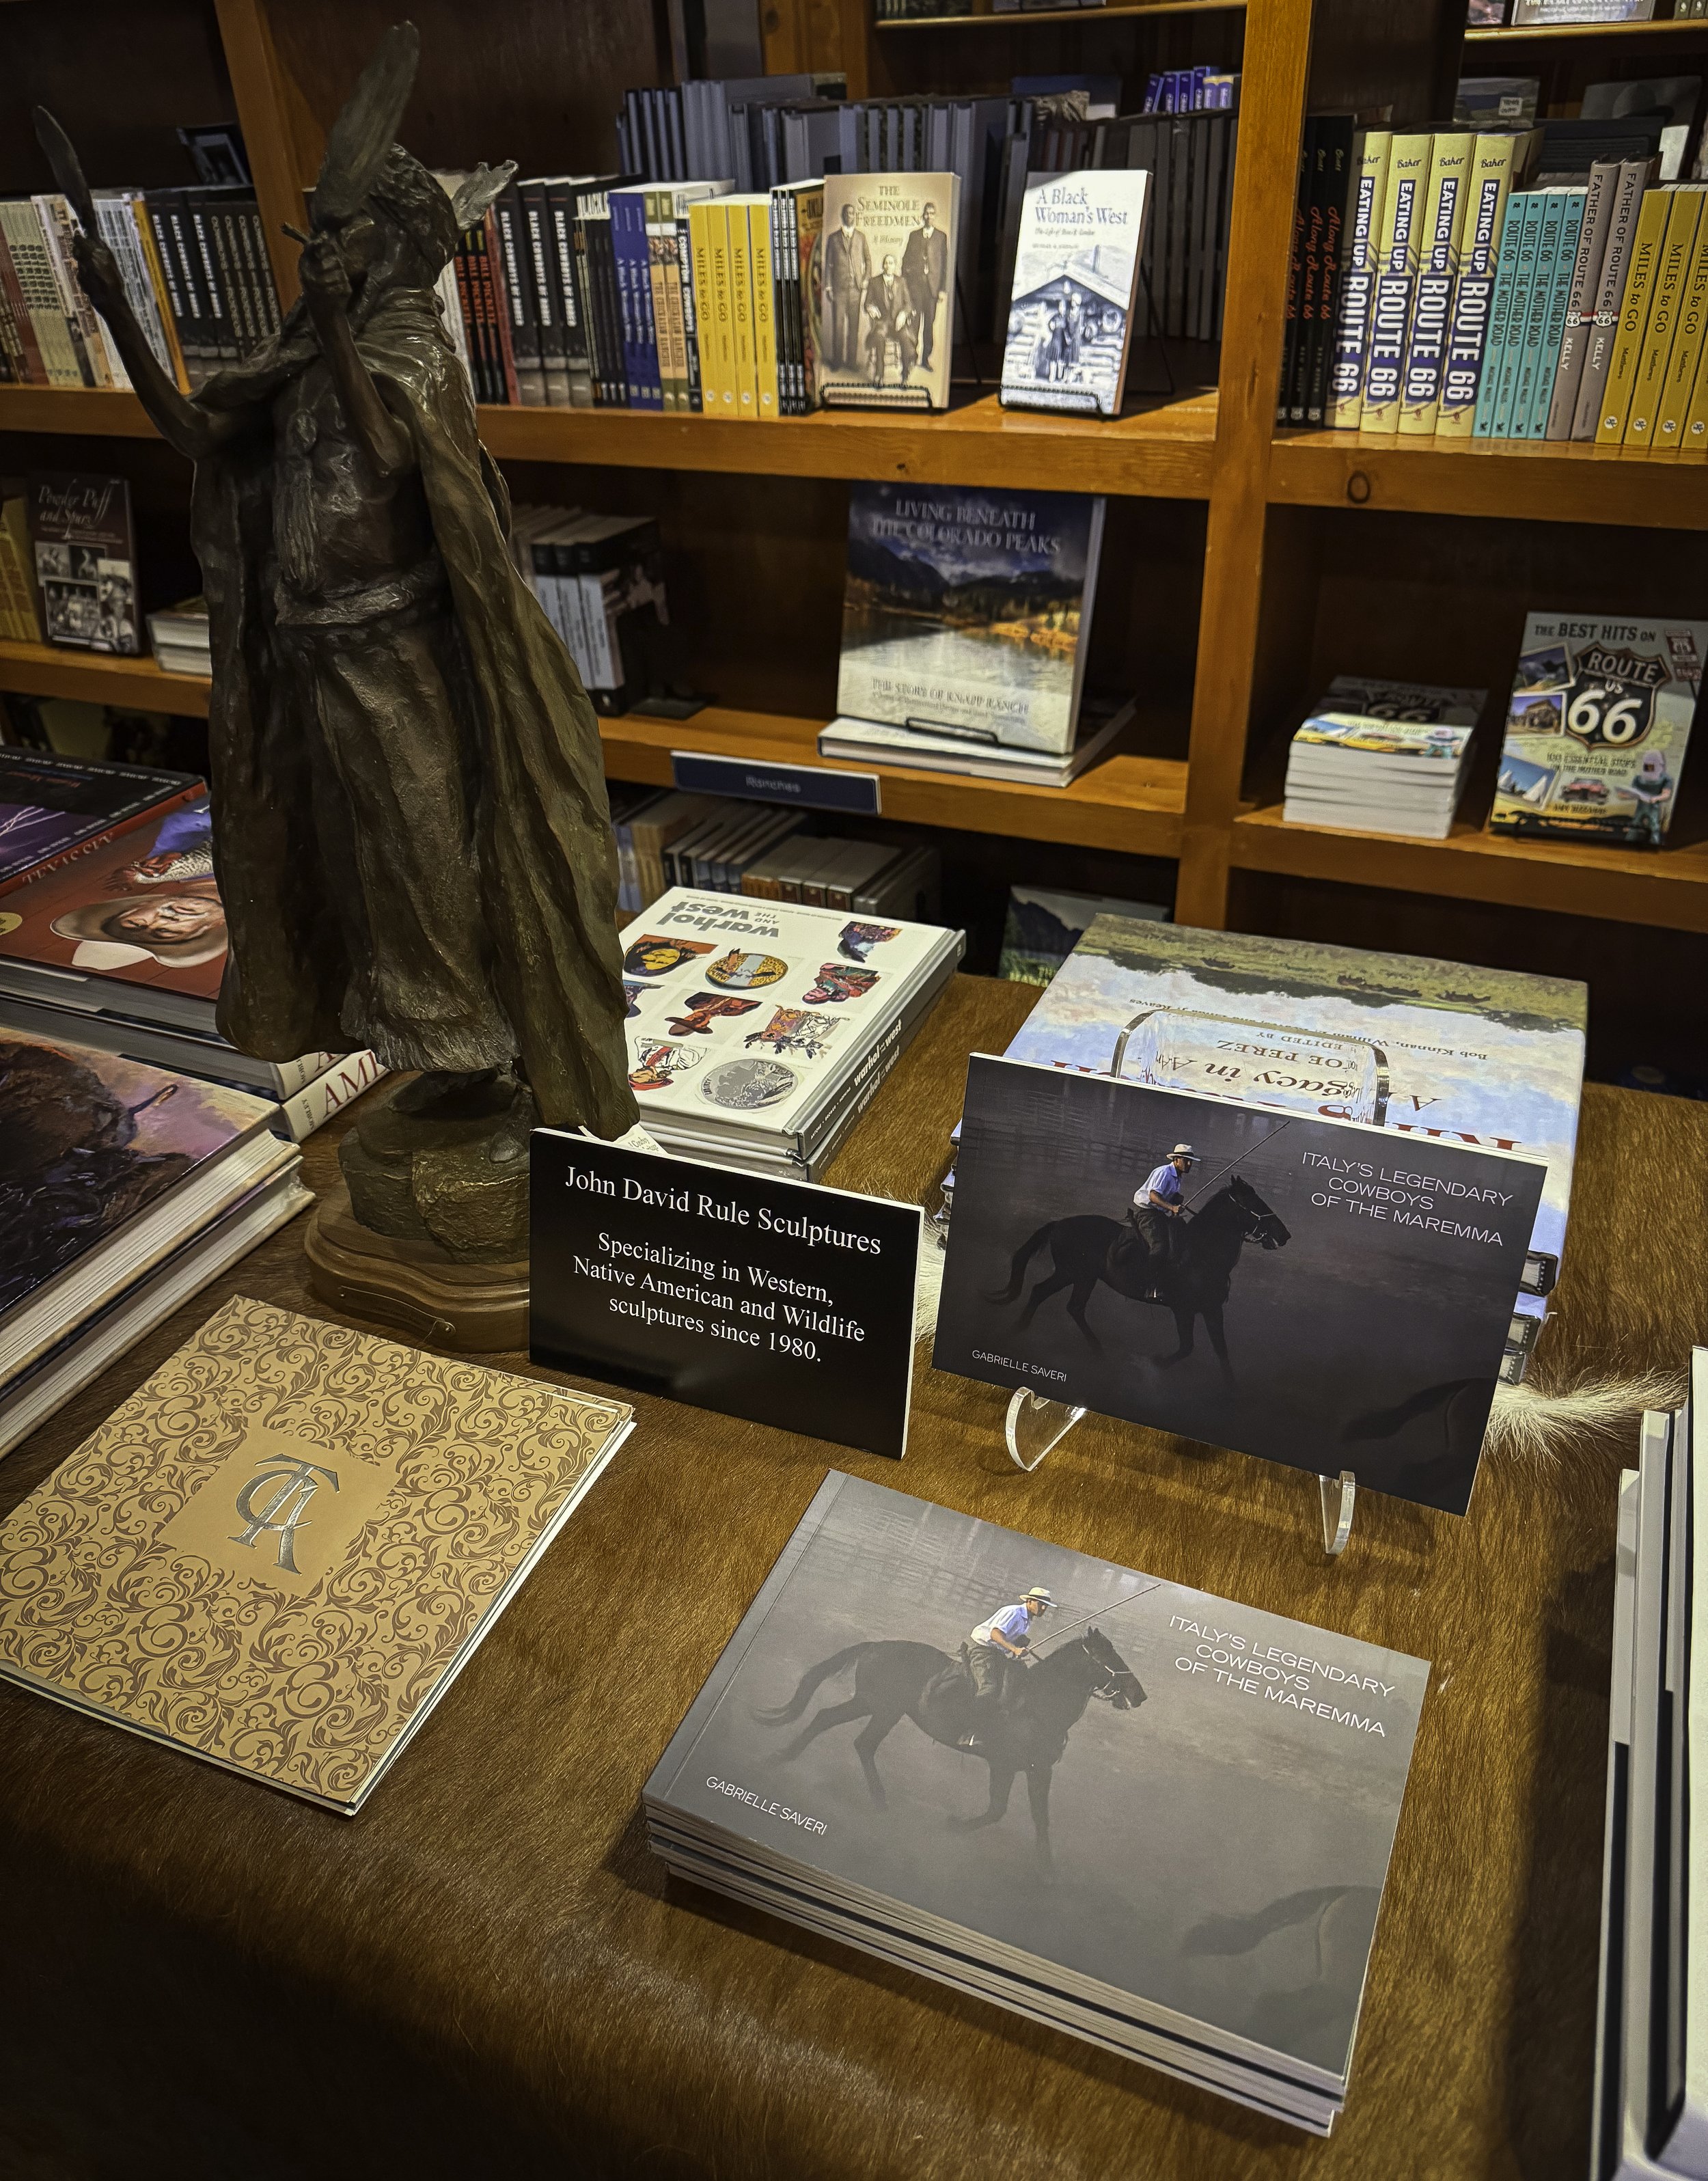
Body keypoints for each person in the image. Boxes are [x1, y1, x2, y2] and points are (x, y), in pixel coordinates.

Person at [60, 27, 635, 1164]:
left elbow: (384, 451)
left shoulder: (412, 350)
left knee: (430, 858)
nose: (323, 256)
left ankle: (475, 1044)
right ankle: (424, 1055)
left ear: (393, 253)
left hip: (402, 658)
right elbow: (195, 432)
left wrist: (333, 321)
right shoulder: (294, 362)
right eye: (321, 238)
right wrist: (116, 307)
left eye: (346, 239)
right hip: (311, 661)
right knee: (346, 868)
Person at [959, 1585, 1053, 1752]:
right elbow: (995, 1634)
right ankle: (969, 1733)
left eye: (1046, 1606)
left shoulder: (1027, 1620)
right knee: (989, 1689)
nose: (1044, 1608)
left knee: (1014, 1685)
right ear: (1030, 1601)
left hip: (996, 1654)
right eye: (1041, 1604)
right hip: (983, 1651)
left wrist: (1018, 1642)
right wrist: (1014, 1649)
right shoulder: (1014, 1612)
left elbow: (1006, 1637)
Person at [1127, 1142, 1196, 1276]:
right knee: (1160, 1246)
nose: (1189, 1164)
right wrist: (1172, 1207)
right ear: (1176, 1160)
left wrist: (1175, 1199)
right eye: (1186, 1160)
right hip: (1145, 1212)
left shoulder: (1177, 1176)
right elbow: (1153, 1196)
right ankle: (1148, 1283)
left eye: (1191, 1161)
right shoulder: (1164, 1172)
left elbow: (1165, 1195)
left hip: (1157, 1213)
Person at [822, 202, 871, 374]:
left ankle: (851, 362)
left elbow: (868, 261)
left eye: (854, 214)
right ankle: (837, 361)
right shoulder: (833, 238)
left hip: (856, 290)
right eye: (849, 213)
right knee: (838, 326)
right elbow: (828, 264)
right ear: (843, 216)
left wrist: (865, 279)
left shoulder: (861, 237)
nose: (852, 216)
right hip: (839, 289)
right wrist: (828, 287)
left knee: (854, 327)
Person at [900, 200, 949, 373]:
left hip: (932, 289)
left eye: (932, 213)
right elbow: (905, 261)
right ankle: (912, 357)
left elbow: (944, 266)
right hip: (915, 288)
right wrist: (905, 286)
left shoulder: (941, 237)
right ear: (923, 216)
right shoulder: (914, 236)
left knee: (929, 324)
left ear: (934, 216)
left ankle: (925, 359)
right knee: (914, 323)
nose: (929, 216)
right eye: (926, 213)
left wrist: (942, 289)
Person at [863, 253, 917, 386]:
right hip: (882, 323)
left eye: (891, 263)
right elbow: (867, 303)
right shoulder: (874, 282)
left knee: (905, 339)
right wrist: (871, 308)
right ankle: (879, 375)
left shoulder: (902, 282)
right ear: (883, 266)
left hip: (898, 324)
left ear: (895, 266)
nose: (888, 265)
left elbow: (909, 304)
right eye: (886, 263)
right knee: (879, 338)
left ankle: (905, 374)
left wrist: (903, 314)